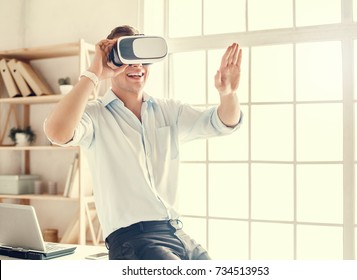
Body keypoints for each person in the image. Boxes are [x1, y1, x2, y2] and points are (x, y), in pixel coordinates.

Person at [44, 25, 243, 260]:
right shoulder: (95, 116)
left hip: (178, 234)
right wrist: (94, 73)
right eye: (127, 57)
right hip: (132, 240)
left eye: (143, 58)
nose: (137, 65)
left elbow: (222, 123)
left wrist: (228, 94)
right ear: (111, 61)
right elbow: (57, 133)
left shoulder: (169, 110)